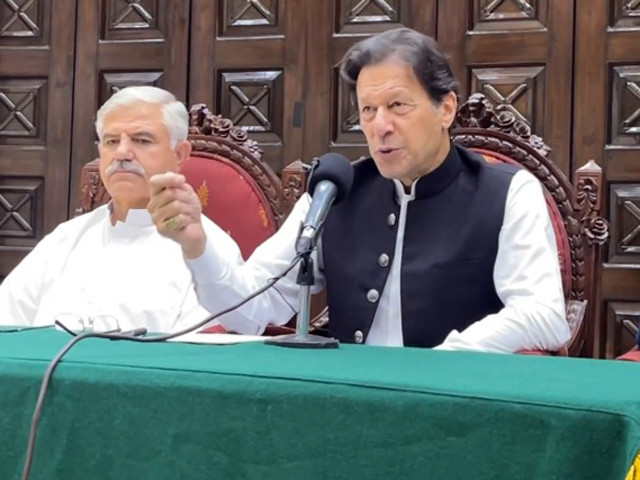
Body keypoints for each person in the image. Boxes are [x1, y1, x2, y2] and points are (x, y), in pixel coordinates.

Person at [148, 28, 570, 352]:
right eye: (368, 110)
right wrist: (196, 246)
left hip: (461, 400)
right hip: (352, 401)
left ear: (445, 108)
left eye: (398, 106)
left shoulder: (508, 192)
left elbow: (544, 314)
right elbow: (252, 307)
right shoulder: (335, 190)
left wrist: (451, 356)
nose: (380, 126)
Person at [0, 86, 242, 333]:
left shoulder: (208, 253)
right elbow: (6, 324)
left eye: (141, 140)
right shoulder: (65, 239)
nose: (122, 153)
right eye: (112, 141)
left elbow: (195, 359)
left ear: (179, 154)